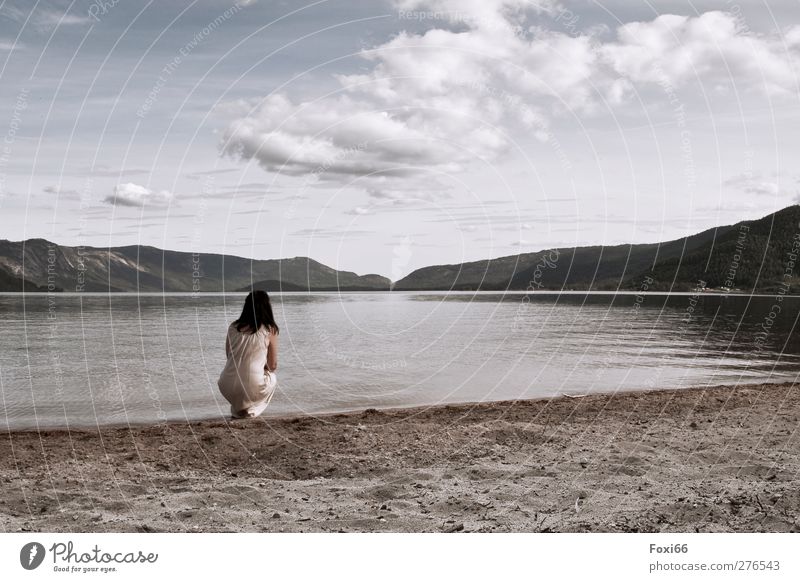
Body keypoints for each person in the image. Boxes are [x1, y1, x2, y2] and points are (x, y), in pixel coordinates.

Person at [217, 290, 279, 419]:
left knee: (244, 382)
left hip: (225, 383)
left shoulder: (233, 327)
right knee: (272, 377)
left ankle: (240, 410)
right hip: (252, 384)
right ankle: (252, 411)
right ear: (267, 307)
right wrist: (262, 367)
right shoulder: (269, 329)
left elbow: (230, 356)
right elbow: (272, 365)